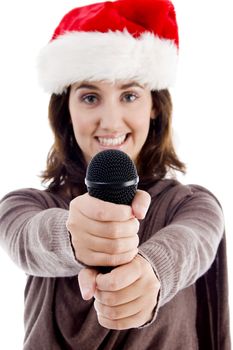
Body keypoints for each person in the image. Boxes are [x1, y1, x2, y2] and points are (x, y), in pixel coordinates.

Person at [0, 0, 231, 349]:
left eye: (129, 95)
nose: (110, 121)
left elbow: (191, 244)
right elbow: (25, 237)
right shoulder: (24, 204)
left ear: (154, 106)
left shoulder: (194, 205)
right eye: (90, 97)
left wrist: (151, 273)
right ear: (67, 110)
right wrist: (72, 236)